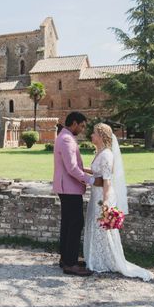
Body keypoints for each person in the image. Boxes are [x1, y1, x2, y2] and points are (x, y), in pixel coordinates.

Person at [83, 123, 154, 281]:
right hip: (96, 194)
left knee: (102, 229)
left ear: (101, 136)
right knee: (95, 227)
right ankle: (95, 259)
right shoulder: (100, 152)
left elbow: (107, 180)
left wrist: (107, 201)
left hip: (103, 196)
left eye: (94, 133)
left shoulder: (107, 154)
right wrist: (81, 169)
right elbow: (97, 172)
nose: (91, 135)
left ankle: (106, 261)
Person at [52, 111, 96, 276]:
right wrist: (90, 180)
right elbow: (71, 168)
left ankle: (66, 258)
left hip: (66, 188)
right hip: (69, 188)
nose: (83, 129)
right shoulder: (67, 139)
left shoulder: (64, 136)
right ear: (74, 123)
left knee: (68, 223)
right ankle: (70, 264)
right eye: (82, 126)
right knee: (75, 223)